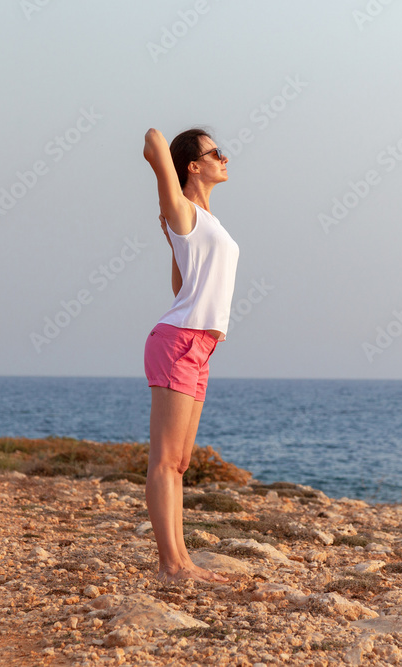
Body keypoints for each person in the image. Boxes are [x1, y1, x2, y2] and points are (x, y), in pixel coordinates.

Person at [142, 127, 239, 583]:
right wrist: (165, 176)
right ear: (193, 166)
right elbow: (154, 138)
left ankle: (183, 561)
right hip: (179, 341)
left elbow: (181, 288)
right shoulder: (180, 208)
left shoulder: (203, 222)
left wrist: (175, 243)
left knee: (180, 463)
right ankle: (169, 566)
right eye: (215, 152)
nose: (226, 158)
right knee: (163, 460)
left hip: (201, 345)